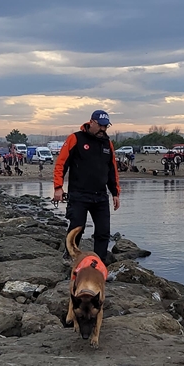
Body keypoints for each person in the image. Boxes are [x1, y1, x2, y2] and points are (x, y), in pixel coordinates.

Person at [53, 110, 120, 264]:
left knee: (103, 232)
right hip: (78, 194)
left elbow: (112, 170)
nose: (103, 129)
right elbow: (61, 164)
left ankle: (99, 264)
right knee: (77, 228)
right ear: (92, 122)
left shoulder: (107, 143)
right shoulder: (75, 138)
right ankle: (70, 257)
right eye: (101, 126)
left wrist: (115, 193)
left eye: (106, 126)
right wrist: (58, 187)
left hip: (100, 195)